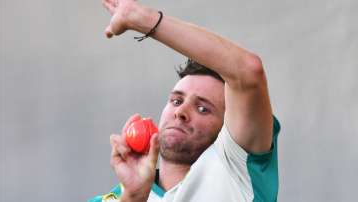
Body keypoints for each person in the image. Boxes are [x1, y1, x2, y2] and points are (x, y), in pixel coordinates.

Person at [89, 0, 281, 201]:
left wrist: (142, 19)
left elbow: (248, 70)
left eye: (202, 108)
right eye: (176, 101)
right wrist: (134, 197)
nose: (180, 112)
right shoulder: (113, 199)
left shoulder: (239, 171)